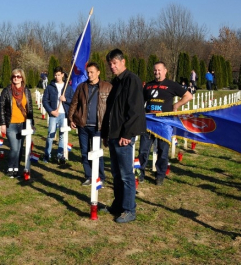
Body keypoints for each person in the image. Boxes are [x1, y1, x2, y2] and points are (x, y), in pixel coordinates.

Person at [101, 49, 146, 223]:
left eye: (115, 63)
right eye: (110, 64)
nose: (112, 66)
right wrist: (106, 133)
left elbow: (135, 110)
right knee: (116, 173)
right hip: (113, 135)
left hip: (123, 136)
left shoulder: (131, 80)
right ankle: (118, 204)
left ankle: (129, 209)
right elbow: (111, 111)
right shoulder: (116, 82)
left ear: (123, 61)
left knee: (126, 174)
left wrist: (127, 133)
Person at [139, 62, 193, 186]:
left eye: (159, 70)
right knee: (143, 150)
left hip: (164, 124)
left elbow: (188, 96)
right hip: (149, 123)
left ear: (165, 71)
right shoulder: (148, 86)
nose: (157, 72)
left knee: (163, 151)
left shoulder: (172, 85)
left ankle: (160, 175)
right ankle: (140, 174)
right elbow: (141, 101)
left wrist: (176, 105)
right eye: (155, 70)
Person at [68, 62, 112, 186]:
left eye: (92, 72)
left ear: (98, 72)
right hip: (83, 125)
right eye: (88, 72)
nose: (89, 74)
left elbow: (111, 107)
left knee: (97, 153)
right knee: (84, 152)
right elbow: (74, 103)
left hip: (98, 126)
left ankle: (100, 177)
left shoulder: (107, 87)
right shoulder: (81, 87)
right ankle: (88, 176)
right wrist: (70, 119)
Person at [0, 68, 35, 178]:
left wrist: (31, 123)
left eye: (18, 76)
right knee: (14, 148)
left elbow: (30, 108)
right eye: (14, 76)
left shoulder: (26, 91)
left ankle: (16, 169)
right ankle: (10, 168)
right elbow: (1, 108)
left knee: (19, 148)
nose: (16, 78)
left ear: (22, 78)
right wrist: (3, 124)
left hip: (23, 124)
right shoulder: (7, 91)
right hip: (11, 124)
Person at [42, 66, 74, 163]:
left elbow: (73, 100)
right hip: (53, 114)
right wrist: (51, 111)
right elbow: (45, 101)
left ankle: (60, 155)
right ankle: (47, 155)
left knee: (62, 136)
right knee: (50, 135)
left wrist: (66, 100)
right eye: (55, 75)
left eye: (59, 75)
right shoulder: (50, 86)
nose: (57, 77)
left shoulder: (67, 87)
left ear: (63, 75)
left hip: (64, 115)